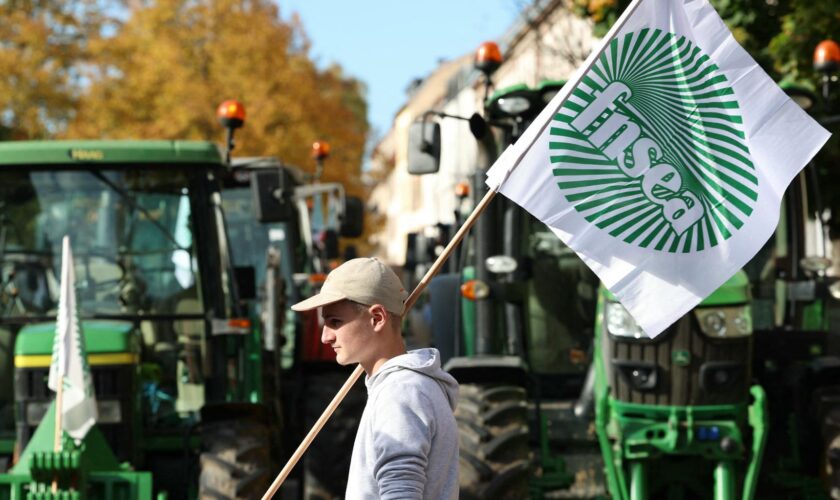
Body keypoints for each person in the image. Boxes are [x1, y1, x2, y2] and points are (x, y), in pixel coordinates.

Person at [291, 257, 459, 500]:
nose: (325, 337)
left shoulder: (400, 393)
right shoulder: (405, 388)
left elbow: (401, 494)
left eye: (335, 321)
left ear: (377, 318)